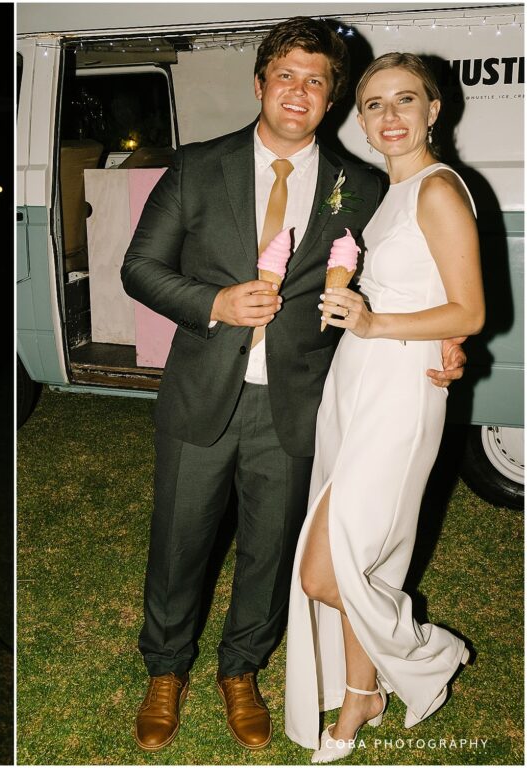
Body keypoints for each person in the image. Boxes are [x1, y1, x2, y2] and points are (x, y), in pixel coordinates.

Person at [121, 19, 467, 753]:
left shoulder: (365, 184)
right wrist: (213, 303)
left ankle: (241, 670)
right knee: (179, 542)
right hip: (201, 395)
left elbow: (414, 274)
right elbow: (140, 268)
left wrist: (450, 341)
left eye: (317, 81)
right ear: (259, 84)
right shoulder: (196, 166)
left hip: (305, 403)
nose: (299, 92)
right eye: (287, 76)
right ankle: (166, 669)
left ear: (333, 98)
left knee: (273, 550)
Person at [284, 53, 483, 763]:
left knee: (324, 572)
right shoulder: (388, 193)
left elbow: (472, 306)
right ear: (359, 119)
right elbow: (439, 303)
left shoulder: (437, 191)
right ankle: (362, 694)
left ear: (436, 110)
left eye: (406, 100)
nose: (389, 116)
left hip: (398, 391)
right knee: (357, 558)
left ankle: (428, 653)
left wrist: (376, 326)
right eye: (373, 104)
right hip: (357, 381)